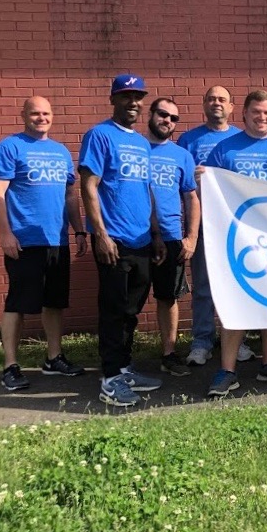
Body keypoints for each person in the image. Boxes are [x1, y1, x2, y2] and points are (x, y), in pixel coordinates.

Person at [201, 90, 267, 397]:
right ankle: (227, 370)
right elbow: (211, 190)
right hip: (237, 240)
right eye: (257, 113)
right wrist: (202, 179)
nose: (263, 118)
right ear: (244, 114)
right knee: (235, 303)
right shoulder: (225, 148)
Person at [0, 96, 87, 391]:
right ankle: (10, 365)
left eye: (45, 113)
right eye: (35, 113)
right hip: (24, 240)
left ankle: (54, 358)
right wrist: (6, 233)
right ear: (23, 115)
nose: (41, 118)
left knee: (54, 302)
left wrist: (79, 231)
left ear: (52, 116)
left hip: (56, 239)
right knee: (17, 303)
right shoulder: (8, 147)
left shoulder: (61, 152)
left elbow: (70, 196)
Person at [79, 74, 166, 406]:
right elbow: (88, 186)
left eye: (138, 96)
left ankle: (124, 366)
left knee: (131, 309)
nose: (134, 102)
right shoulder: (99, 136)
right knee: (113, 310)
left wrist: (156, 233)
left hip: (141, 238)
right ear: (113, 99)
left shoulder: (143, 143)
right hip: (113, 239)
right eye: (126, 96)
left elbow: (146, 189)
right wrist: (99, 234)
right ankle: (110, 378)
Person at [176, 86, 248, 367]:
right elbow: (178, 178)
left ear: (232, 107)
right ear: (203, 105)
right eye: (211, 99)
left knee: (236, 284)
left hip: (235, 225)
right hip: (204, 223)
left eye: (222, 99)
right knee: (204, 285)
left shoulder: (240, 139)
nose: (216, 103)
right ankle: (202, 340)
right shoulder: (188, 140)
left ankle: (237, 339)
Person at [146, 98, 200, 376]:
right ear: (151, 115)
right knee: (128, 301)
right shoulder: (134, 149)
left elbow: (191, 197)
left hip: (171, 236)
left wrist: (190, 237)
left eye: (174, 118)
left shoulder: (181, 155)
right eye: (163, 115)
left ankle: (169, 353)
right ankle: (121, 358)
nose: (168, 121)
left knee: (168, 297)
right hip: (134, 236)